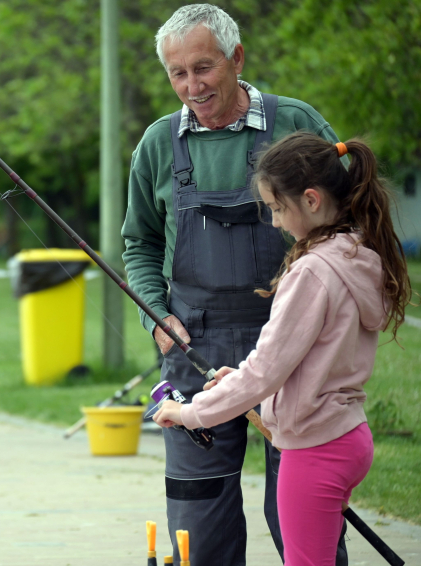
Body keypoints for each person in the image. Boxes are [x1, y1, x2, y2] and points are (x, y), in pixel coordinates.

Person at [121, 5, 350, 564]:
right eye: (178, 73)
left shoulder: (296, 124)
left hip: (295, 348)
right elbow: (140, 245)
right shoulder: (156, 145)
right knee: (199, 522)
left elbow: (349, 227)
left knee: (299, 515)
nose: (191, 86)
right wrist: (156, 316)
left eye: (203, 68)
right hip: (193, 346)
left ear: (237, 58)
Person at [153, 133, 411, 565]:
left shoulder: (312, 272)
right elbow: (311, 363)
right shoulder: (355, 253)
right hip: (348, 436)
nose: (274, 222)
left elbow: (266, 371)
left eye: (276, 208)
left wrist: (189, 413)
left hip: (315, 449)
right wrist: (238, 383)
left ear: (311, 200)